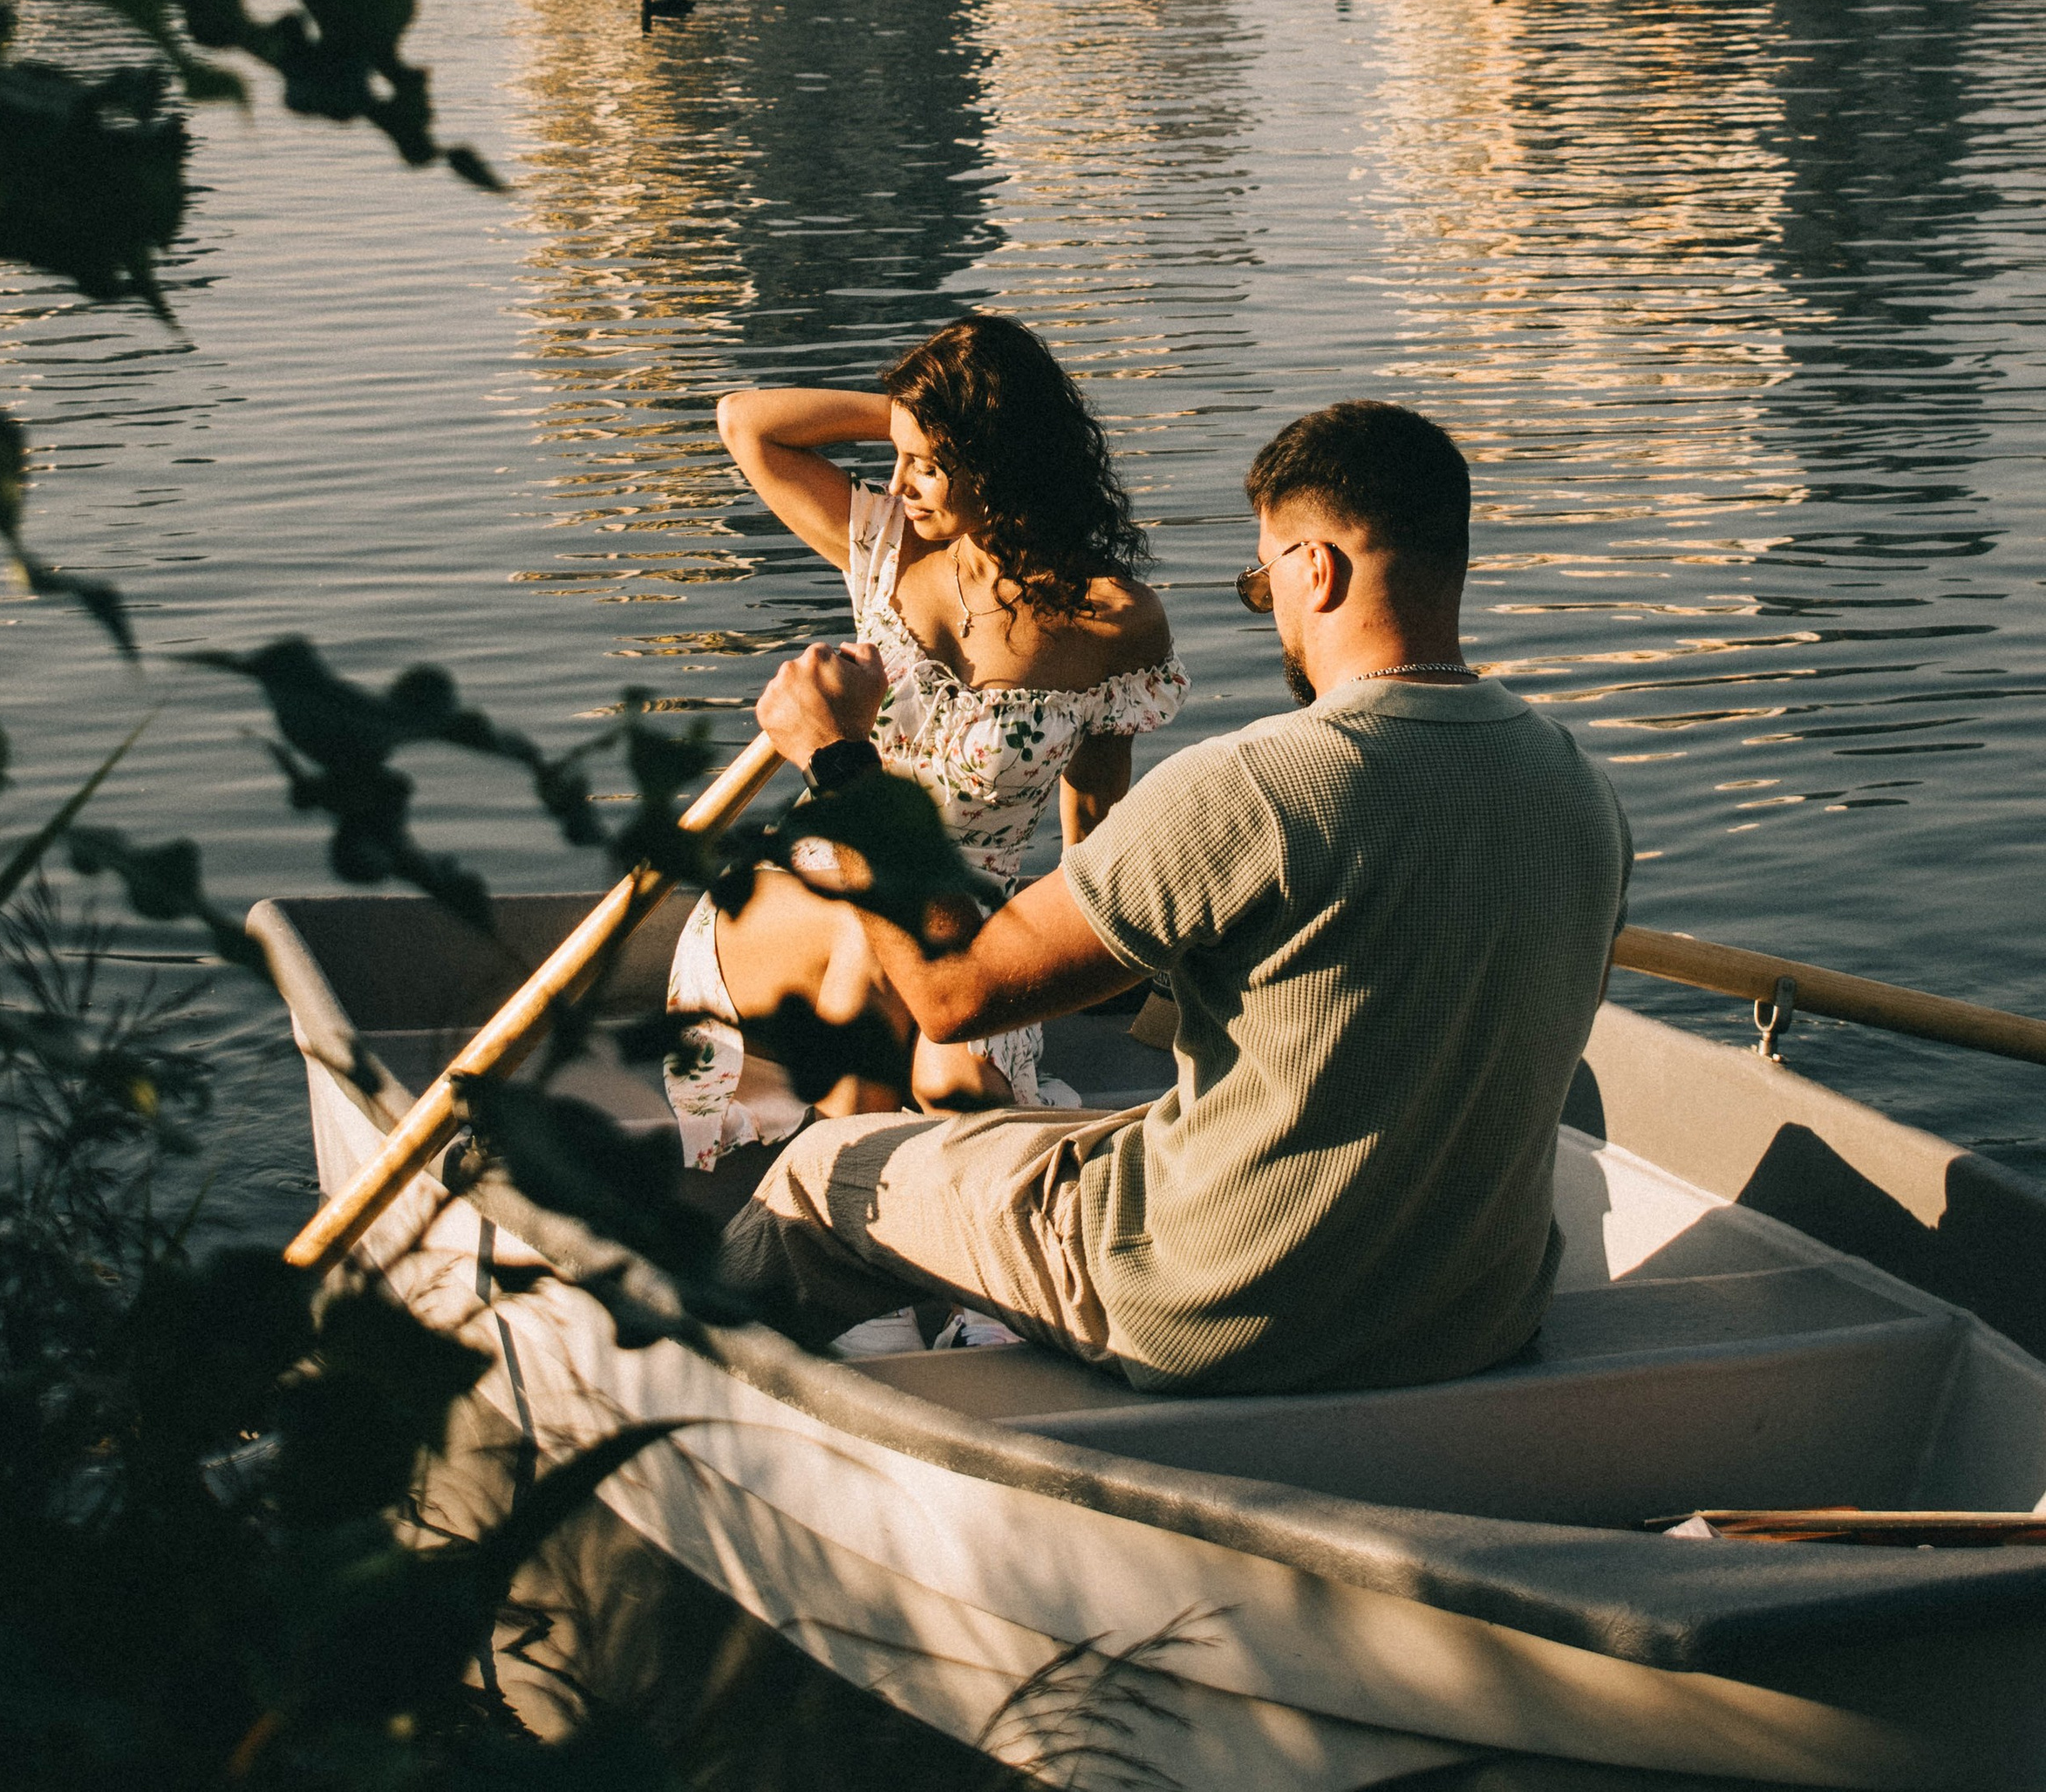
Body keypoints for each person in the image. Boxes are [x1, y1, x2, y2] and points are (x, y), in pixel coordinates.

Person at [718, 399, 1633, 1399]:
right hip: (1468, 1320)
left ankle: (669, 1413)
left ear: (1313, 568)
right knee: (1035, 1133)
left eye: (1261, 581)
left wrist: (843, 766)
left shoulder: (1255, 785)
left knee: (827, 1167)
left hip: (1211, 1311)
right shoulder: (1581, 790)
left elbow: (953, 994)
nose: (1269, 605)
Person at [663, 315, 1187, 1169]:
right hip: (805, 894)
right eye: (901, 457)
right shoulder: (885, 549)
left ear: (1002, 461)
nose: (902, 481)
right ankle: (831, 1243)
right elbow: (743, 420)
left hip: (963, 927)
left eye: (931, 464)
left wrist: (1088, 960)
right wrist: (911, 418)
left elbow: (1094, 822)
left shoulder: (1115, 624)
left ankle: (917, 1261)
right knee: (870, 941)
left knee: (960, 1089)